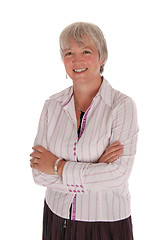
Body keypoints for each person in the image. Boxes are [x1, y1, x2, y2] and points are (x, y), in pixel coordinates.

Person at [30, 22, 139, 240]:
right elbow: (39, 172)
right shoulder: (52, 105)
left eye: (86, 51)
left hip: (106, 224)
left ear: (102, 57)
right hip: (56, 218)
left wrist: (58, 165)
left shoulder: (122, 106)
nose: (76, 60)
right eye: (69, 53)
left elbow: (117, 175)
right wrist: (96, 169)